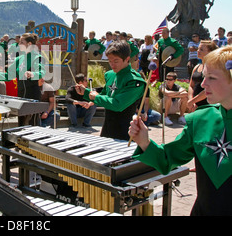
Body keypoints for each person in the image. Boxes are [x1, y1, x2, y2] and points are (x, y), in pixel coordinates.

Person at [128, 45, 232, 216]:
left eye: (211, 78)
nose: (203, 84)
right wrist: (144, 141)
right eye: (204, 77)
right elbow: (167, 159)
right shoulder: (199, 119)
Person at [81, 41, 145, 140]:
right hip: (107, 127)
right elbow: (104, 94)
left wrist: (96, 97)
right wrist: (86, 93)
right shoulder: (109, 74)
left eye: (116, 61)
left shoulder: (135, 81)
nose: (112, 65)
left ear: (127, 59)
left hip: (125, 131)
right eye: (110, 61)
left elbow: (118, 104)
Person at [0, 33, 45, 126]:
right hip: (21, 95)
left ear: (29, 44)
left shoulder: (36, 57)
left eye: (22, 42)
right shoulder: (19, 59)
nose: (19, 44)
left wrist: (33, 74)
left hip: (33, 95)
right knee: (21, 124)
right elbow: (9, 75)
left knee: (32, 124)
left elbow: (41, 72)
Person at [187, 40, 218, 112]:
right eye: (198, 48)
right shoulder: (197, 67)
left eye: (201, 49)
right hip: (194, 106)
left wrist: (193, 101)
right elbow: (191, 85)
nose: (198, 51)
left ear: (210, 52)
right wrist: (191, 101)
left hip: (208, 106)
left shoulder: (213, 68)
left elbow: (209, 88)